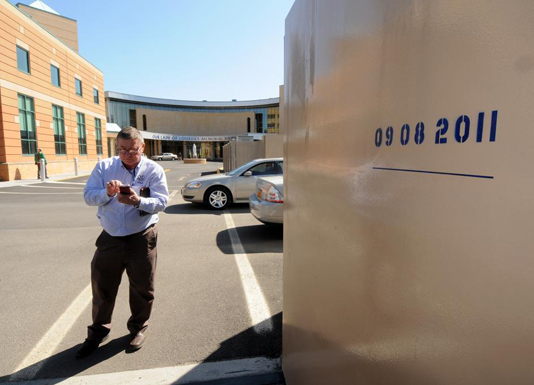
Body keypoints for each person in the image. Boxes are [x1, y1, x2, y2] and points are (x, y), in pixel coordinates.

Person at [77, 126, 169, 358]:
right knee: (102, 287)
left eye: (132, 150)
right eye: (122, 150)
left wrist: (139, 201)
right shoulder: (105, 167)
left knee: (142, 288)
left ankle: (138, 329)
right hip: (110, 238)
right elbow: (89, 196)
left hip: (142, 236)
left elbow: (162, 201)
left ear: (142, 147)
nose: (127, 154)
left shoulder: (154, 170)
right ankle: (98, 332)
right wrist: (106, 193)